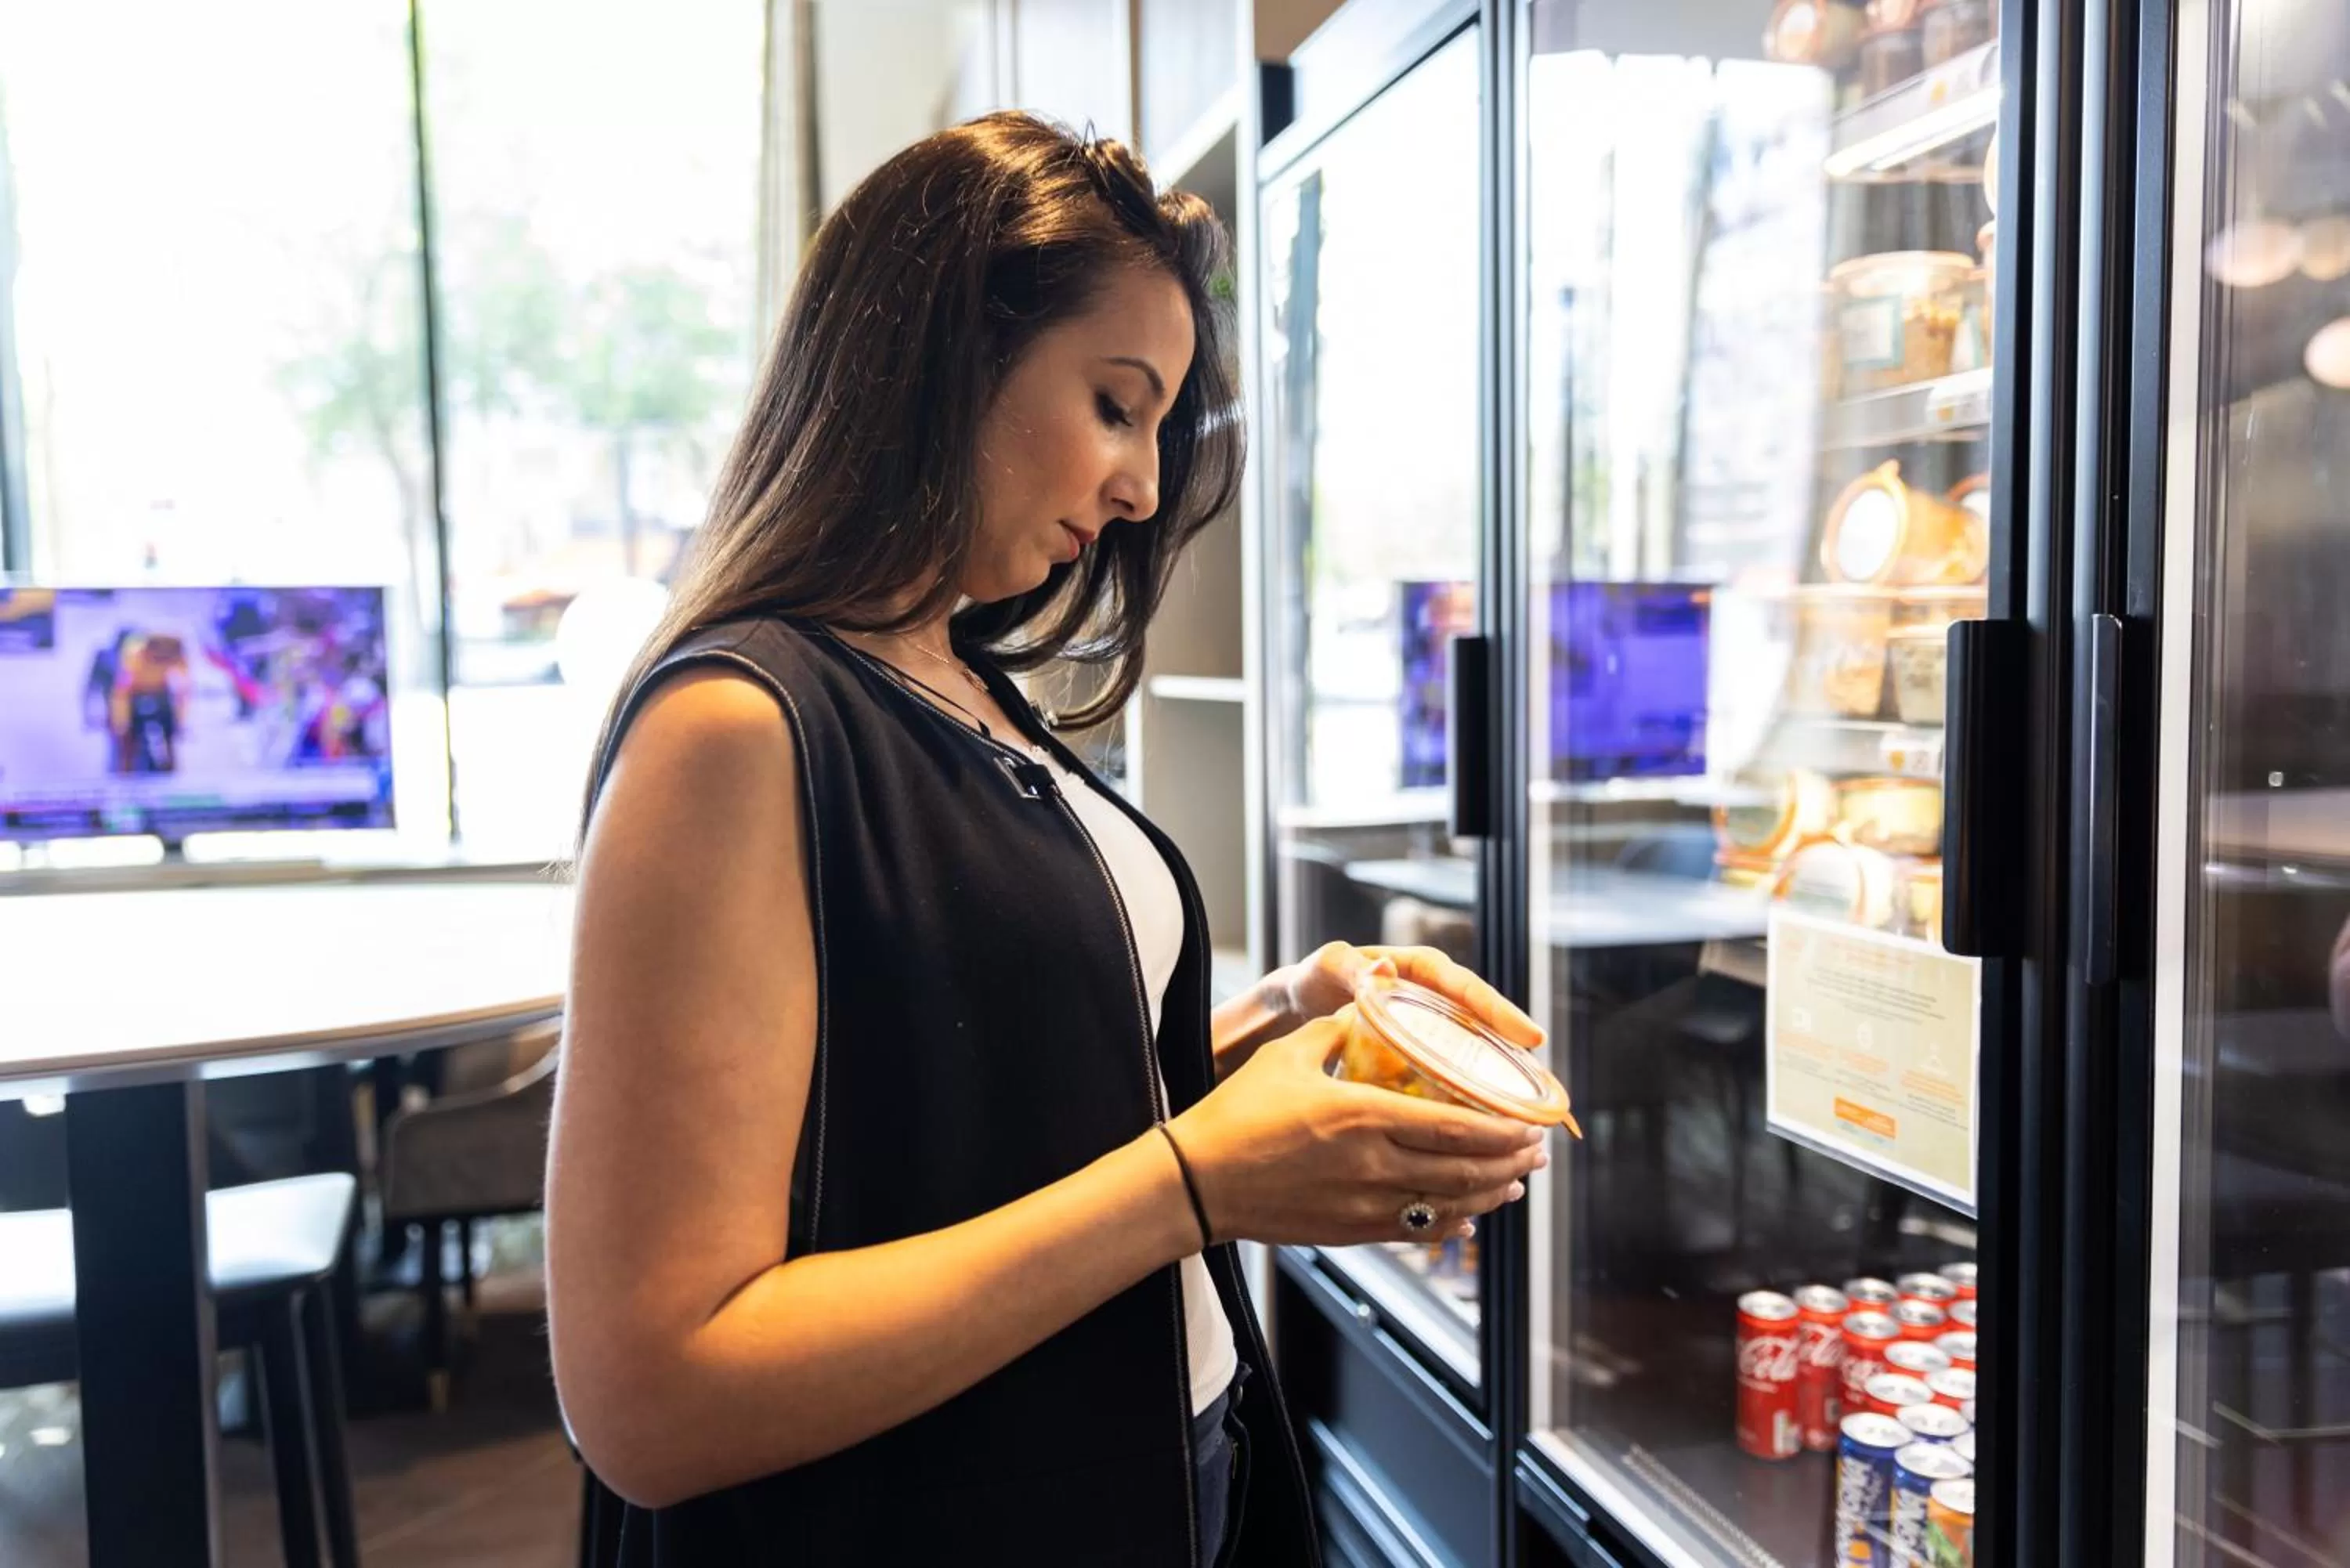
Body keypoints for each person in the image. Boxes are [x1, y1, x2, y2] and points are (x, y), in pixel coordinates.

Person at [548, 113, 1551, 1567]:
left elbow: (953, 1109)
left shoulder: (958, 677)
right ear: (943, 361)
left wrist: (1261, 1032)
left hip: (1150, 1460)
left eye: (1158, 426)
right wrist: (1200, 1178)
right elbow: (652, 1393)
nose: (1143, 485)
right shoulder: (739, 727)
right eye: (1114, 405)